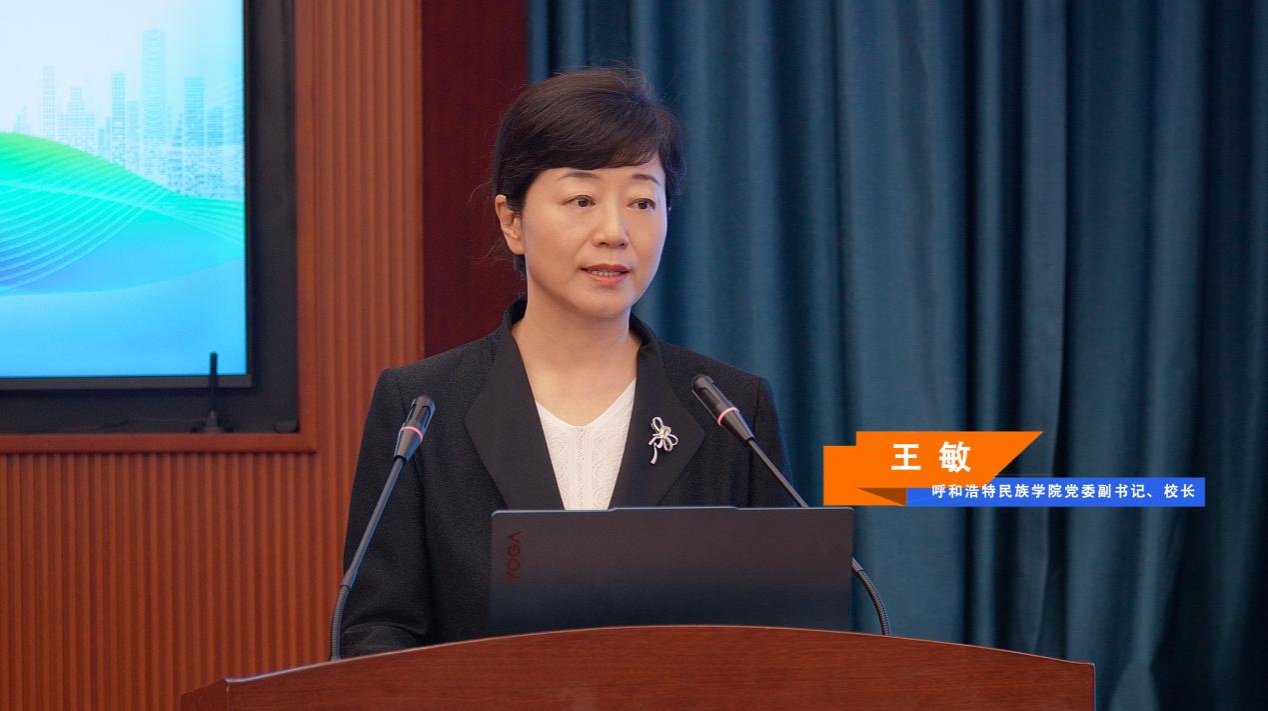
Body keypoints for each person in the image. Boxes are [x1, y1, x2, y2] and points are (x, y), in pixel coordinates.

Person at [339, 67, 793, 657]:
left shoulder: (729, 409)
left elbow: (781, 636)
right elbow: (376, 633)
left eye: (642, 201)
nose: (615, 231)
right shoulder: (422, 408)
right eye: (582, 200)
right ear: (512, 221)